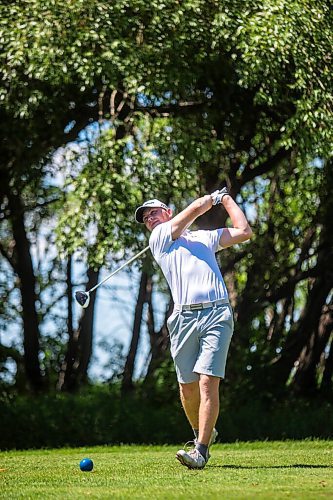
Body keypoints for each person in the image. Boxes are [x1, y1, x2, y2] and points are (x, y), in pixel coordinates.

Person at [135, 188, 253, 469]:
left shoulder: (203, 238)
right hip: (183, 319)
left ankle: (200, 450)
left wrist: (226, 200)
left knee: (207, 381)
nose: (150, 218)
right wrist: (211, 198)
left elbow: (244, 231)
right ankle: (205, 432)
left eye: (154, 212)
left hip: (216, 312)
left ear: (168, 212)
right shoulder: (159, 239)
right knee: (187, 388)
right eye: (146, 217)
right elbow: (196, 209)